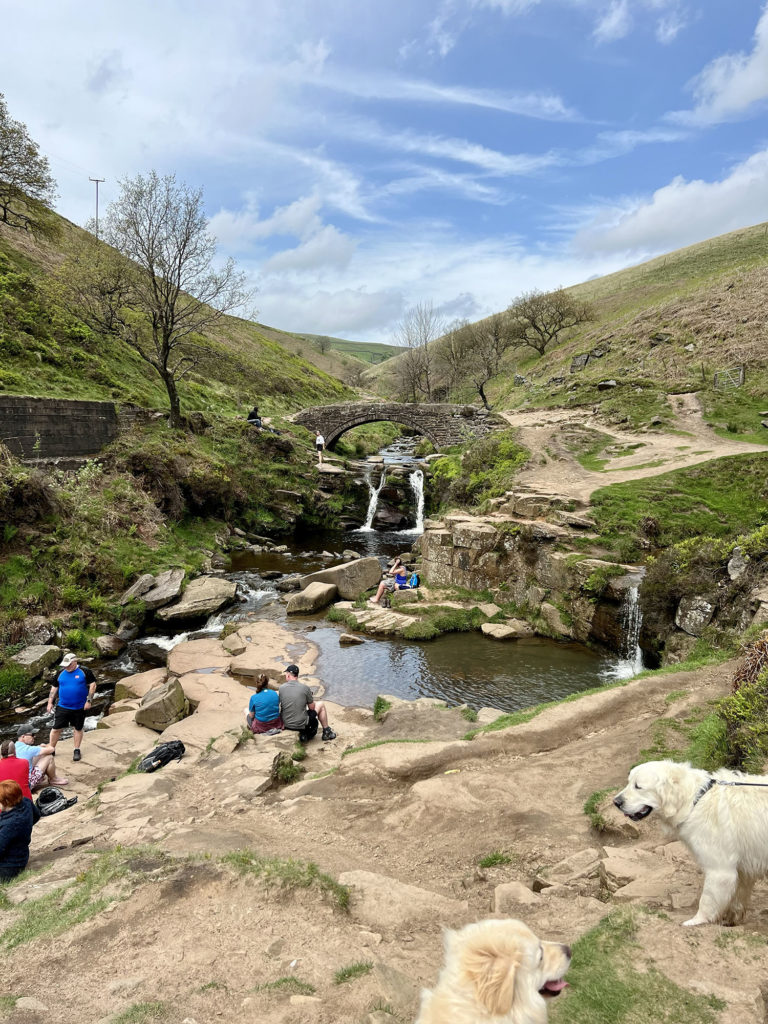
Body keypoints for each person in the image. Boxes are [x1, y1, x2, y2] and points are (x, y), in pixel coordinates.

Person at [48, 653, 97, 762]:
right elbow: (54, 688)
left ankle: (76, 750)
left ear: (75, 662)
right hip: (63, 706)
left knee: (78, 728)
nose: (66, 667)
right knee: (56, 728)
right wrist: (50, 702)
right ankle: (51, 749)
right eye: (65, 665)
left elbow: (93, 685)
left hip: (79, 707)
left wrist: (89, 701)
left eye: (68, 665)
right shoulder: (60, 673)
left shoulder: (85, 671)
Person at [278, 665, 336, 742]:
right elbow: (312, 708)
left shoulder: (281, 688)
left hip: (286, 723)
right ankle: (326, 731)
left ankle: (304, 734)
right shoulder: (305, 688)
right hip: (301, 724)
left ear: (288, 675)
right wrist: (307, 698)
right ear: (297, 675)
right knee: (320, 704)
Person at [0, 781, 34, 881]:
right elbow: (36, 815)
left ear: (6, 801)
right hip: (21, 854)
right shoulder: (26, 802)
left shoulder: (11, 824)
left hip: (9, 867)